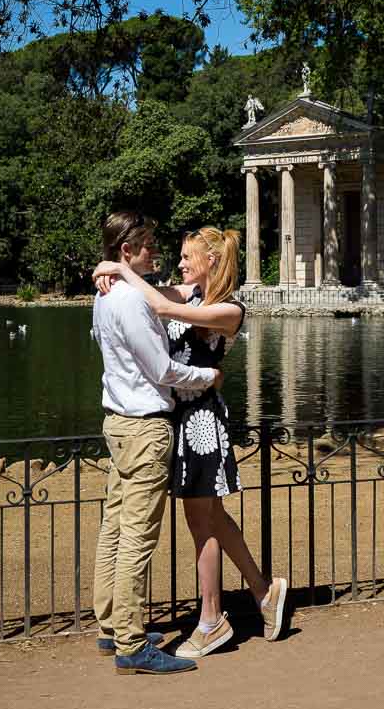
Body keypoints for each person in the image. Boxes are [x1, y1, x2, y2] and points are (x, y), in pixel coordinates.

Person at [93, 226, 288, 659]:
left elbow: (158, 303)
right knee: (213, 519)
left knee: (202, 524)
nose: (179, 263)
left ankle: (212, 621)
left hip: (201, 422)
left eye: (187, 257)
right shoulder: (190, 295)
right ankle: (264, 590)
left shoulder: (228, 310)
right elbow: (153, 292)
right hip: (179, 418)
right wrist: (108, 272)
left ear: (212, 261)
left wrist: (118, 270)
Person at [92, 210, 225, 676]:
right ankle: (131, 642)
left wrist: (109, 272)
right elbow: (163, 371)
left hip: (117, 422)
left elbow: (179, 298)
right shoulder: (129, 301)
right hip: (146, 427)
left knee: (114, 527)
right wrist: (208, 376)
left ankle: (111, 626)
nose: (156, 253)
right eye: (147, 246)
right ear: (127, 251)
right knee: (137, 536)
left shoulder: (106, 297)